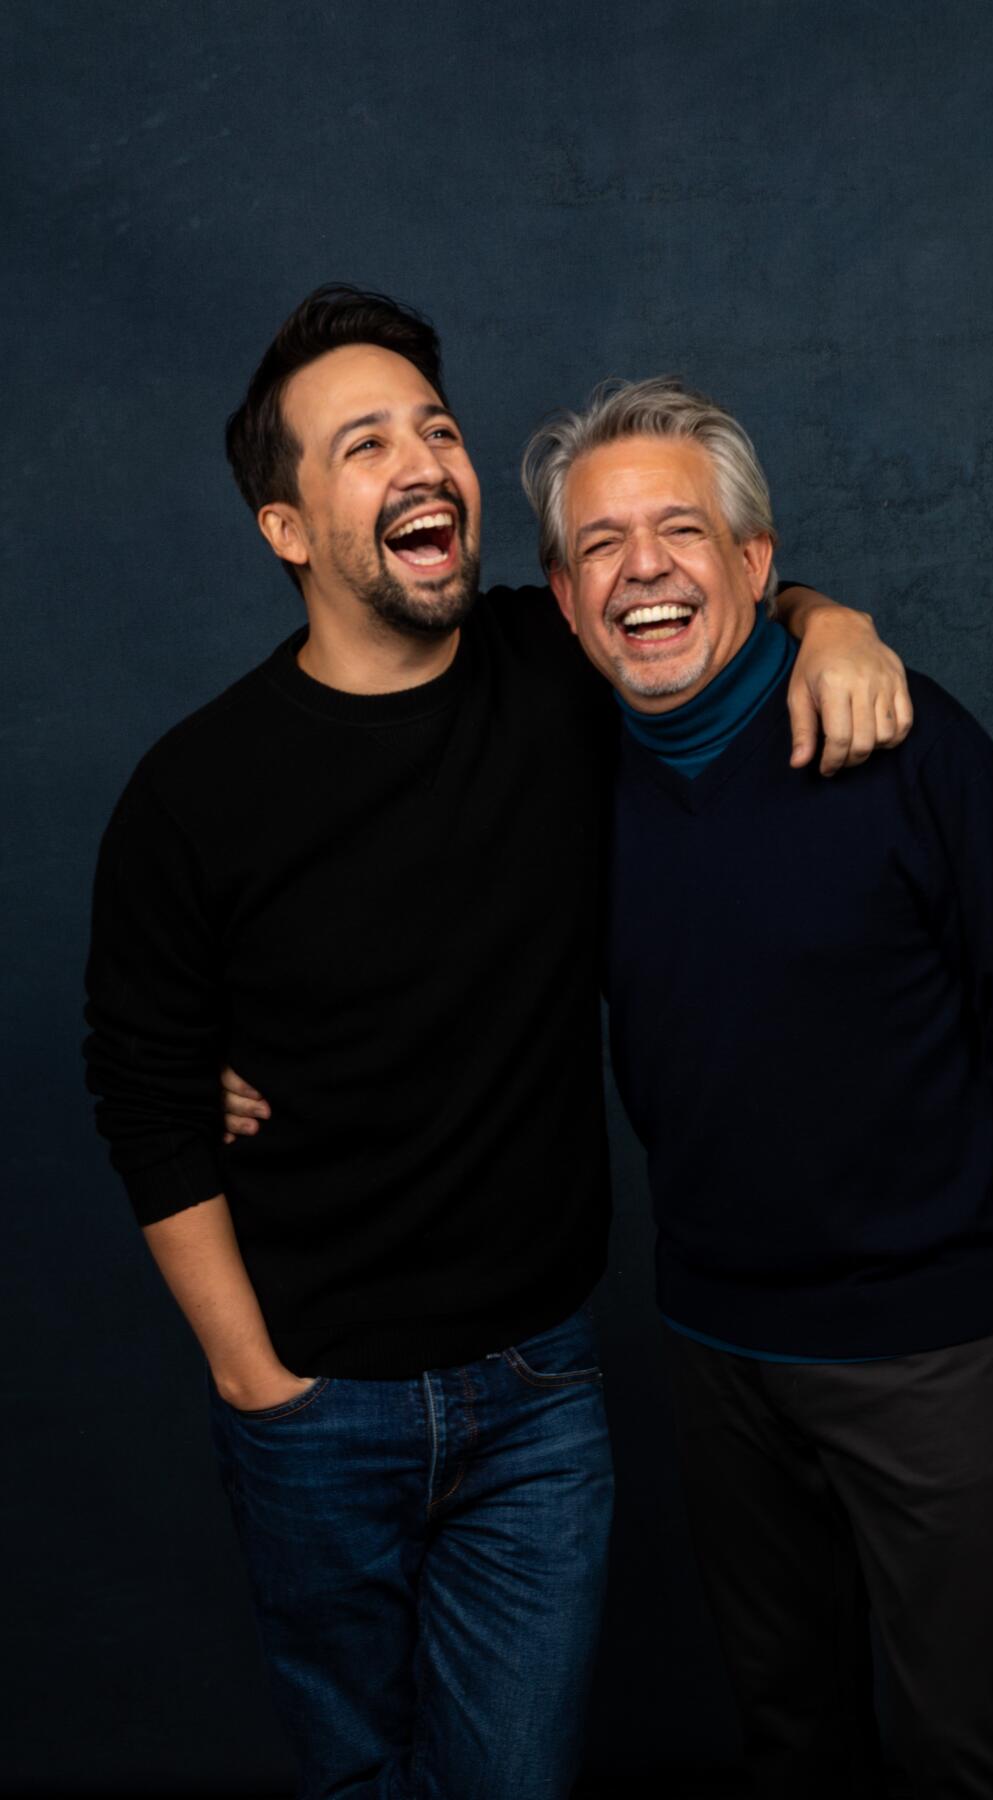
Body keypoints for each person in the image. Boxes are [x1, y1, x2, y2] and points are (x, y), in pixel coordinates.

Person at [83, 286, 912, 1800]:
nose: (426, 461)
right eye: (363, 444)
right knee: (359, 1778)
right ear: (286, 529)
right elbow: (140, 1089)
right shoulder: (191, 793)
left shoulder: (553, 678)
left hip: (539, 1391)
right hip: (313, 1398)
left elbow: (690, 600)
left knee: (509, 1782)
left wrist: (829, 620)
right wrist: (255, 1381)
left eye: (440, 429)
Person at [515, 377, 993, 1800]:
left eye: (681, 530)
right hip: (715, 1346)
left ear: (756, 564)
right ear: (559, 595)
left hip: (930, 1349)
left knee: (960, 1749)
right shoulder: (566, 771)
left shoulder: (902, 743)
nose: (643, 566)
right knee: (791, 1739)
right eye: (602, 544)